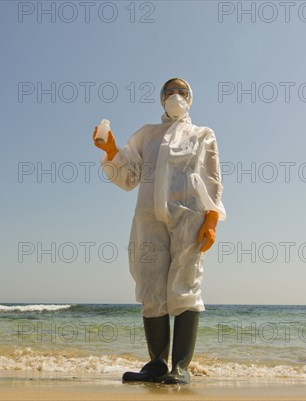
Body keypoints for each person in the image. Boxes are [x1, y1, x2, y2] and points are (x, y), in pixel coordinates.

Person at [93, 78, 226, 384]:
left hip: (189, 217)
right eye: (169, 91)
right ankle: (156, 364)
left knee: (185, 285)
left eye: (181, 91)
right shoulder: (146, 135)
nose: (174, 95)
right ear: (161, 99)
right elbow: (129, 178)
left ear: (190, 97)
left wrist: (212, 219)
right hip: (148, 219)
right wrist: (111, 148)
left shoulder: (203, 134)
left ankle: (180, 366)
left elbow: (213, 178)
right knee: (150, 287)